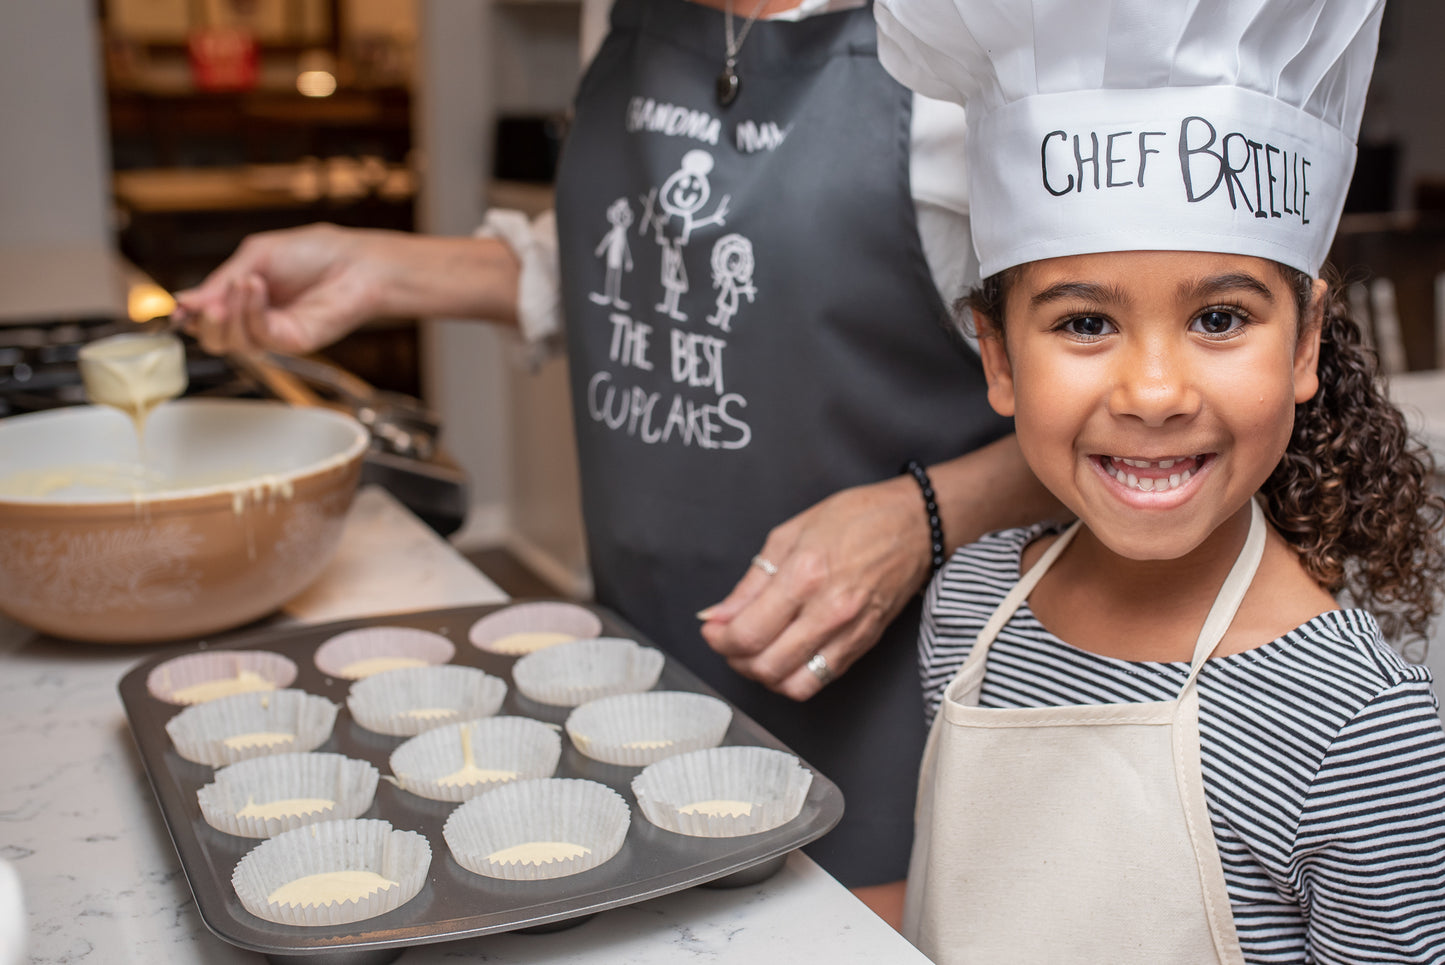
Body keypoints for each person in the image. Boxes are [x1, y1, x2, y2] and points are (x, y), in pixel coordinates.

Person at [174, 0, 1056, 924]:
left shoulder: (981, 29)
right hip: (628, 672)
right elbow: (629, 261)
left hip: (888, 700)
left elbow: (1133, 419)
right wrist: (372, 270)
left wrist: (923, 513)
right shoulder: (624, 18)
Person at [874, 0, 1445, 961]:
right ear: (999, 358)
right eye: (1084, 323)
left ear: (1304, 343)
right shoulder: (968, 609)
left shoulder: (1358, 727)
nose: (1151, 392)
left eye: (1219, 319)